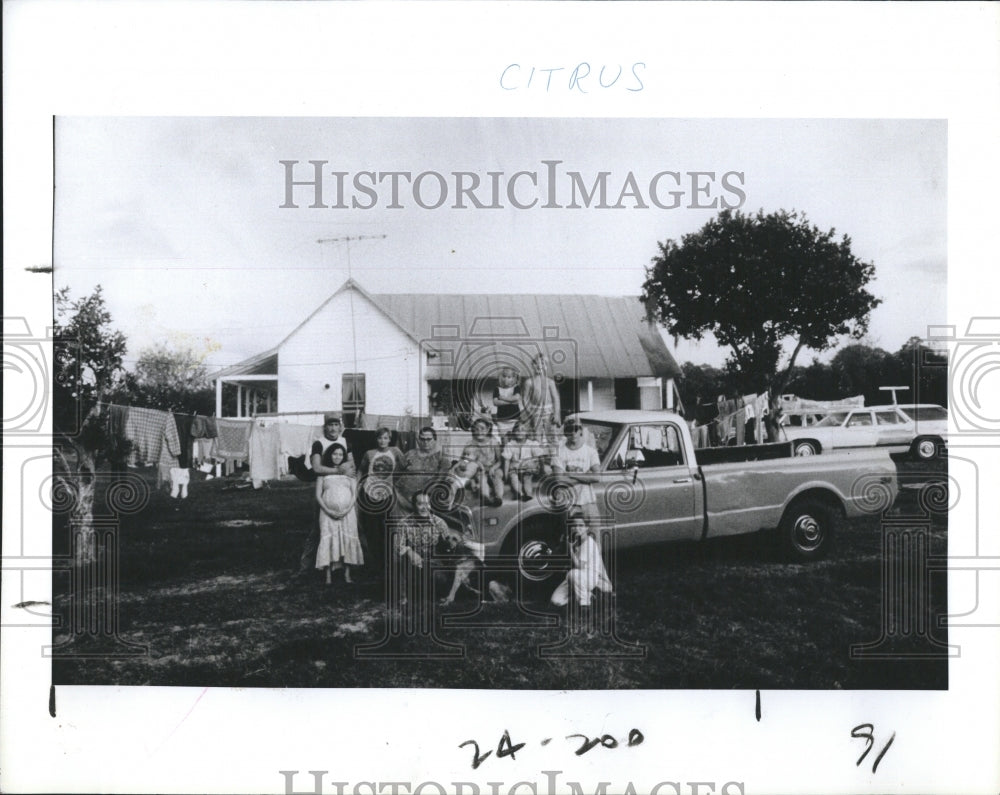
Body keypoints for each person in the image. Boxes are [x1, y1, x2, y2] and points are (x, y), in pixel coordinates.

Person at [294, 412, 357, 579]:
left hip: (345, 489)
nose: (333, 428)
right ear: (325, 427)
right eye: (330, 425)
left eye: (337, 425)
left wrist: (345, 471)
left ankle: (353, 566)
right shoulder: (319, 444)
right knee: (318, 529)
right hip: (326, 490)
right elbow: (316, 468)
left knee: (352, 528)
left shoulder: (345, 442)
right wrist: (338, 471)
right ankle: (305, 568)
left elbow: (352, 466)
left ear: (341, 426)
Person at [358, 427, 406, 578]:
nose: (382, 441)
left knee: (388, 529)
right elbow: (361, 470)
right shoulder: (370, 453)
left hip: (388, 494)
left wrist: (397, 482)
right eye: (380, 438)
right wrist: (358, 485)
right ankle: (376, 563)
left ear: (390, 439)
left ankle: (389, 563)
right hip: (369, 494)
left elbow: (404, 468)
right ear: (376, 439)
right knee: (372, 530)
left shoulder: (396, 452)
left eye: (386, 438)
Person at [392, 490, 452, 607]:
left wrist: (453, 543)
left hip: (433, 562)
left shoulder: (439, 522)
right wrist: (409, 551)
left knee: (439, 579)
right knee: (401, 562)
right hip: (412, 563)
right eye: (420, 504)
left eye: (427, 504)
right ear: (414, 505)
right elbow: (398, 547)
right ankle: (405, 596)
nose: (425, 508)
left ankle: (433, 589)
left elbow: (449, 544)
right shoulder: (404, 523)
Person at [315, 445, 364, 584]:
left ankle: (347, 574)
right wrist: (328, 510)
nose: (337, 457)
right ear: (329, 455)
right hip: (327, 514)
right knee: (329, 539)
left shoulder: (349, 474)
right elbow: (318, 496)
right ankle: (328, 575)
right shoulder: (323, 474)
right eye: (334, 454)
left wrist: (347, 509)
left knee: (347, 539)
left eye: (341, 454)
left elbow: (354, 494)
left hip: (347, 513)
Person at [550, 513, 613, 608]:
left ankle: (585, 604)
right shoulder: (575, 541)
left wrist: (570, 549)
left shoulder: (588, 543)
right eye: (574, 525)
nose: (577, 528)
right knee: (556, 601)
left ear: (587, 527)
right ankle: (589, 595)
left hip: (589, 577)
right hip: (577, 578)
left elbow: (580, 566)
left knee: (573, 574)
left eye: (581, 525)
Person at [551, 418, 602, 526]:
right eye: (569, 430)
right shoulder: (559, 452)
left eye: (576, 429)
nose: (573, 433)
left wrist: (571, 474)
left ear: (580, 431)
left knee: (594, 538)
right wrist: (586, 476)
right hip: (569, 503)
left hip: (588, 502)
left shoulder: (590, 451)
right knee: (572, 539)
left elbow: (597, 477)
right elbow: (559, 480)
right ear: (565, 432)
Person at [395, 426, 452, 511]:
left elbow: (440, 479)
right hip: (401, 498)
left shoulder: (441, 458)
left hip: (423, 501)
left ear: (435, 440)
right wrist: (398, 495)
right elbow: (396, 473)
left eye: (429, 439)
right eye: (422, 439)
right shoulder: (410, 454)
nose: (425, 442)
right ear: (419, 440)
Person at [461, 417, 505, 507]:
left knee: (497, 477)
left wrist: (493, 468)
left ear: (488, 429)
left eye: (482, 429)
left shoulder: (494, 442)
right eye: (476, 429)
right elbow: (465, 460)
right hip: (479, 469)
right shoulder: (471, 443)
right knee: (481, 478)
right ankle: (486, 497)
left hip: (494, 467)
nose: (479, 431)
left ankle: (499, 497)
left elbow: (500, 461)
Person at [522, 353, 561, 442]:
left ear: (546, 366)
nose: (539, 366)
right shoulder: (529, 382)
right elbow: (525, 398)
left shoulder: (550, 382)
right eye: (536, 363)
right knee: (536, 436)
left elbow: (556, 398)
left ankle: (552, 453)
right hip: (535, 411)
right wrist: (529, 411)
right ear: (532, 365)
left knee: (552, 435)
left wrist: (556, 414)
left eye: (543, 363)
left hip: (549, 411)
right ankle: (538, 453)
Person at [502, 421, 545, 501]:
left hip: (528, 467)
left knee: (527, 478)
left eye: (522, 430)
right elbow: (507, 460)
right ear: (514, 432)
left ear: (526, 432)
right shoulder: (510, 445)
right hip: (515, 467)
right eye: (517, 430)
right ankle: (519, 493)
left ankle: (528, 494)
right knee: (513, 478)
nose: (519, 432)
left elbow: (540, 457)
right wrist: (505, 475)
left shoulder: (532, 443)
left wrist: (542, 470)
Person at [492, 366, 524, 437]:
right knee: (503, 438)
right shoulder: (497, 389)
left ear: (514, 379)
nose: (506, 379)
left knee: (514, 438)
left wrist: (502, 397)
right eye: (504, 376)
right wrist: (511, 402)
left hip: (514, 419)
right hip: (502, 419)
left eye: (509, 377)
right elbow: (495, 402)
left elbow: (516, 398)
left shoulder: (516, 388)